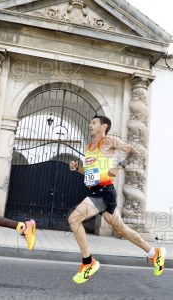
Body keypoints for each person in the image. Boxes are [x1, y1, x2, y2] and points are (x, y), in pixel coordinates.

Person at [69, 115, 166, 284]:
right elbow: (91, 174)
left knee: (74, 218)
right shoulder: (89, 147)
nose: (90, 125)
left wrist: (119, 166)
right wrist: (78, 169)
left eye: (94, 123)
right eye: (90, 123)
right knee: (121, 230)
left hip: (103, 192)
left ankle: (88, 263)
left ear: (103, 126)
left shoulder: (109, 141)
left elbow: (135, 153)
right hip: (97, 191)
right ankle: (154, 253)